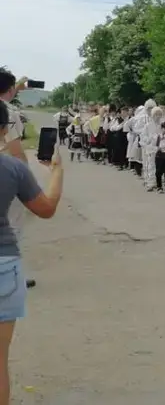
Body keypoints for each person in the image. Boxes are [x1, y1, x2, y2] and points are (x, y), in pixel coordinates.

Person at [0, 99, 63, 405]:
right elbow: (46, 209)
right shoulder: (12, 169)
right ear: (3, 130)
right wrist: (57, 173)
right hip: (4, 263)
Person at [0, 71, 37, 291]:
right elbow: (15, 150)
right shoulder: (8, 112)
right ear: (11, 89)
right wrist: (27, 180)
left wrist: (17, 88)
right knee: (12, 227)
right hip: (5, 173)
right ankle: (11, 274)